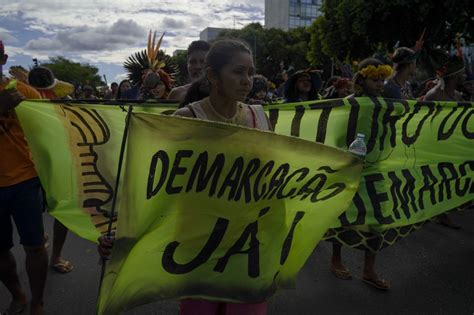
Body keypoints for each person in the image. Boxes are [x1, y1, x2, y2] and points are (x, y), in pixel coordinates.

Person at [100, 39, 270, 315]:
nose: (247, 81)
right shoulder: (186, 119)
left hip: (248, 244)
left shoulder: (259, 117)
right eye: (238, 72)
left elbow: (272, 181)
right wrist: (124, 234)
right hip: (197, 245)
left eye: (250, 73)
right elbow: (156, 188)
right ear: (213, 76)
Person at [329, 58, 393, 291]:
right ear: (362, 79)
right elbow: (335, 135)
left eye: (382, 80)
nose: (379, 84)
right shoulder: (348, 104)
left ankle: (369, 270)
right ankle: (336, 259)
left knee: (377, 220)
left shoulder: (386, 104)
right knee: (343, 217)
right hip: (349, 170)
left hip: (375, 171)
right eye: (375, 79)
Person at [0, 40, 48, 315]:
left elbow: (48, 134)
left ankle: (38, 302)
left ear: (4, 59)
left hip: (25, 182)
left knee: (35, 248)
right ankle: (18, 296)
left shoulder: (25, 92)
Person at [27, 67, 75, 274]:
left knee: (61, 211)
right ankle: (50, 251)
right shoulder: (21, 98)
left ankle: (55, 255)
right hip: (30, 165)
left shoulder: (64, 98)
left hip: (56, 161)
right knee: (36, 210)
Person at [424, 53, 466, 229]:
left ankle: (442, 211)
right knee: (438, 180)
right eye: (463, 72)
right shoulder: (433, 95)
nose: (465, 75)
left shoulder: (457, 96)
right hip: (436, 146)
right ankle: (439, 213)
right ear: (455, 76)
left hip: (452, 145)